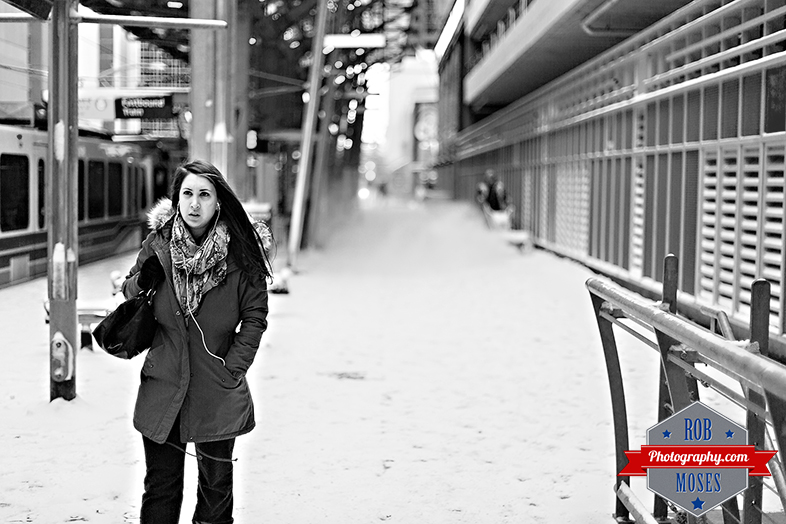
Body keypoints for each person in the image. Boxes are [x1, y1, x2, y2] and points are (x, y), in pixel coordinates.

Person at [122, 159, 272, 524]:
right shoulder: (158, 245)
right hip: (164, 385)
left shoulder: (241, 252)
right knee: (161, 485)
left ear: (218, 201)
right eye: (187, 194)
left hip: (216, 387)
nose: (194, 203)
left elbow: (255, 317)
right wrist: (143, 279)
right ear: (177, 199)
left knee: (215, 487)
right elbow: (128, 292)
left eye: (204, 194)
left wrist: (232, 368)